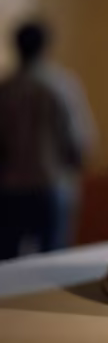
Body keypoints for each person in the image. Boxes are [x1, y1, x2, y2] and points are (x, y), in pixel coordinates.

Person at [0, 21, 95, 259]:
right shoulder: (60, 85)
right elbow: (79, 140)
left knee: (9, 264)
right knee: (53, 259)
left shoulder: (6, 89)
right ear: (45, 47)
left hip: (10, 188)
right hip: (52, 185)